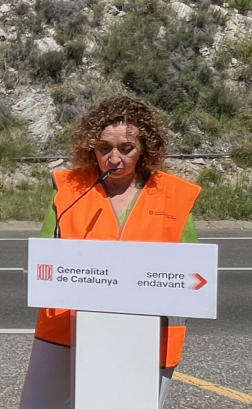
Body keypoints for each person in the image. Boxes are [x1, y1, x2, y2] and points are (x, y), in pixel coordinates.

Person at [19, 96, 201, 409]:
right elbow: (43, 262)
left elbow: (193, 273)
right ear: (91, 146)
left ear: (145, 148)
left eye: (125, 149)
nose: (113, 159)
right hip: (66, 330)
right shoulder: (69, 190)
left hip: (148, 336)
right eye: (104, 148)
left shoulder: (174, 196)